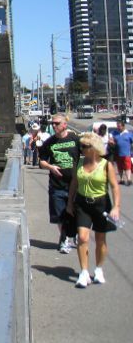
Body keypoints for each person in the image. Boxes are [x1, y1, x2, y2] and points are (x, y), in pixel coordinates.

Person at [66, 131, 122, 287]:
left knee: (100, 240)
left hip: (101, 204)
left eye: (85, 146)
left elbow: (114, 187)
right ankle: (84, 273)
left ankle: (98, 269)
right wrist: (70, 203)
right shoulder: (80, 162)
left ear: (94, 147)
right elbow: (74, 184)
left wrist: (116, 207)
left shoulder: (106, 165)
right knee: (82, 238)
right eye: (81, 146)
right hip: (83, 203)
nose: (81, 148)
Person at [38, 113, 81, 253]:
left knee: (76, 212)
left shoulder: (75, 139)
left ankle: (74, 234)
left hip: (75, 184)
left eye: (57, 123)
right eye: (52, 124)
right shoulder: (49, 142)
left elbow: (87, 155)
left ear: (64, 124)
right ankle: (64, 239)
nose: (54, 126)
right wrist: (51, 167)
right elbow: (42, 161)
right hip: (57, 184)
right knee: (60, 215)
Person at [109, 118, 133, 186]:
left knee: (127, 167)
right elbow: (110, 138)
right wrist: (111, 141)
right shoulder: (115, 133)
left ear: (123, 126)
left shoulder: (129, 134)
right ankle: (121, 179)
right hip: (118, 153)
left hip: (126, 154)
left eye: (119, 126)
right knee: (120, 167)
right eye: (117, 126)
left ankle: (128, 179)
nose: (118, 128)